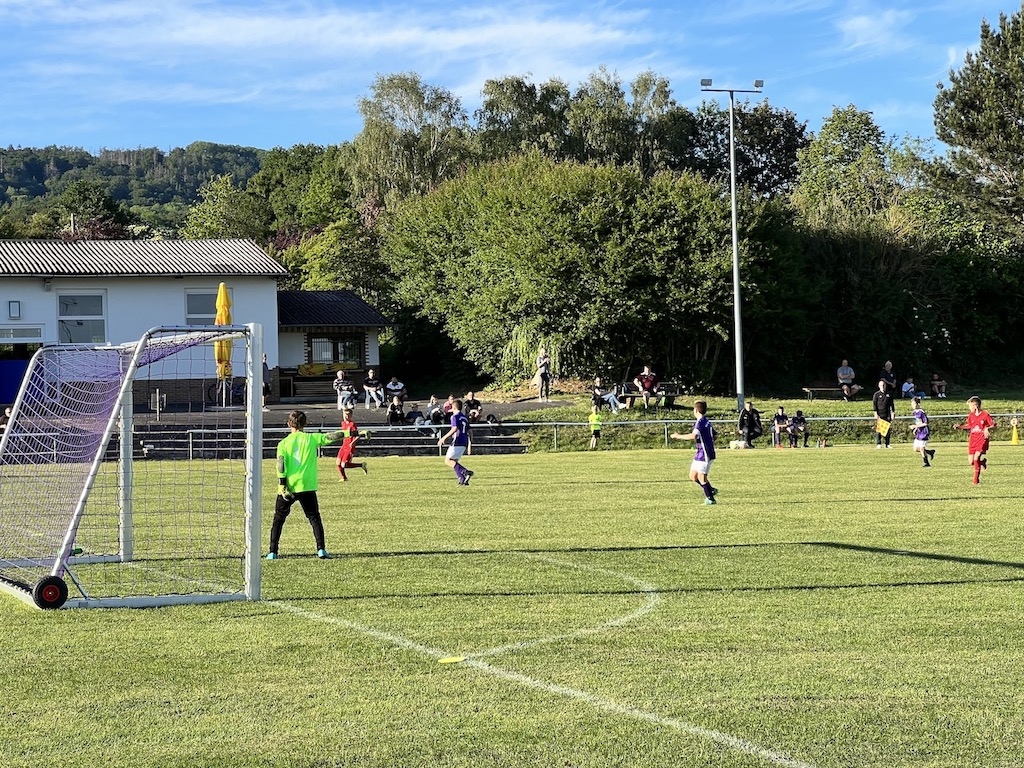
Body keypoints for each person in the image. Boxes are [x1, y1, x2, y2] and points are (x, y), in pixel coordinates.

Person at [267, 410, 345, 560]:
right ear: (305, 424)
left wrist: (282, 484)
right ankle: (321, 550)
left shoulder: (283, 444)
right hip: (307, 486)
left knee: (279, 519)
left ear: (289, 424)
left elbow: (281, 464)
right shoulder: (311, 438)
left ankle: (272, 552)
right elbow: (331, 437)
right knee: (314, 518)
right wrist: (351, 433)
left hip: (289, 486)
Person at [670, 400, 718, 505]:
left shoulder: (700, 422)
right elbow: (715, 435)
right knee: (693, 476)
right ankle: (710, 489)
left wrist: (678, 436)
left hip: (705, 454)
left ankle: (710, 499)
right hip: (701, 452)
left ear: (695, 410)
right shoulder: (706, 421)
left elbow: (693, 436)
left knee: (701, 477)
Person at [958, 396, 995, 485]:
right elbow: (970, 426)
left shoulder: (985, 415)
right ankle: (982, 462)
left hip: (982, 439)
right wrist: (960, 427)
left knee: (976, 457)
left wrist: (987, 428)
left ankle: (976, 480)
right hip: (973, 440)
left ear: (975, 406)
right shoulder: (971, 415)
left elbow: (993, 424)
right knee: (971, 461)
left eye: (970, 406)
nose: (969, 408)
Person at [438, 398, 474, 486]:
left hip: (457, 441)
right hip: (464, 442)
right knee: (454, 462)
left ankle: (465, 472)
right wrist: (470, 444)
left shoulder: (454, 417)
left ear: (454, 407)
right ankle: (462, 479)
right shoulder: (464, 418)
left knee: (448, 461)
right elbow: (470, 431)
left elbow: (454, 428)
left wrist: (443, 438)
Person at [336, 407, 368, 481]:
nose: (346, 416)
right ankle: (344, 478)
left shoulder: (352, 424)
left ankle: (361, 465)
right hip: (344, 445)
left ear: (351, 416)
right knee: (338, 463)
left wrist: (352, 443)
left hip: (350, 447)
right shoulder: (343, 423)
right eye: (345, 415)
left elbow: (357, 436)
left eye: (348, 415)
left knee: (344, 464)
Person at [910, 397, 936, 468]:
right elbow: (919, 422)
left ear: (918, 404)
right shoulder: (915, 412)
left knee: (921, 448)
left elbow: (925, 423)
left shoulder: (921, 412)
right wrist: (916, 428)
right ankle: (930, 452)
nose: (912, 405)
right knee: (916, 449)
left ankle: (926, 462)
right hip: (919, 432)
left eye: (914, 404)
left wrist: (915, 426)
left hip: (924, 432)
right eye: (912, 404)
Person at [872, 379, 895, 449]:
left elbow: (892, 404)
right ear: (879, 386)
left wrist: (893, 412)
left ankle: (887, 444)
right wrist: (875, 413)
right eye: (881, 385)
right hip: (880, 414)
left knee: (887, 429)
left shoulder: (889, 394)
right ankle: (878, 443)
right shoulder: (876, 394)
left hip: (887, 414)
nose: (883, 386)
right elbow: (874, 404)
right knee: (879, 430)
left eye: (884, 385)